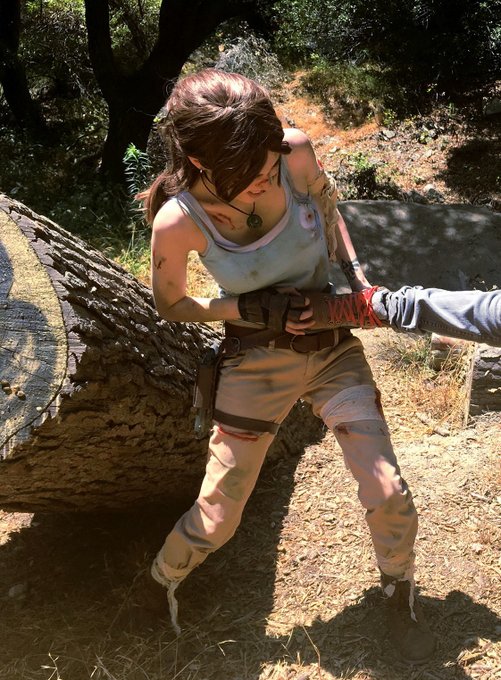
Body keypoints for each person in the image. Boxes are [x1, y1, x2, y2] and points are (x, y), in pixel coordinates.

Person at [137, 67, 498, 661]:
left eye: (269, 165)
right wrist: (247, 307)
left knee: (387, 489)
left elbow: (331, 214)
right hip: (255, 360)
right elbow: (171, 304)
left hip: (331, 350)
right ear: (201, 161)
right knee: (220, 513)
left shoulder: (293, 152)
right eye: (250, 177)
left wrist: (356, 285)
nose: (266, 180)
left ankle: (398, 591)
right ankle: (159, 583)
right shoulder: (178, 221)